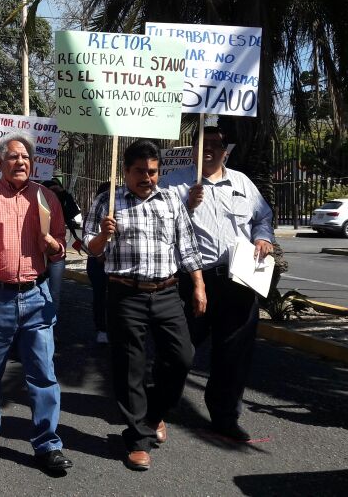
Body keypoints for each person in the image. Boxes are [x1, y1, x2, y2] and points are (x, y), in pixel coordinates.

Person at [83, 139, 206, 471]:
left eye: (152, 172)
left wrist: (198, 284)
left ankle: (154, 414)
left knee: (182, 357)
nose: (147, 178)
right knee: (129, 367)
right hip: (125, 294)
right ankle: (137, 439)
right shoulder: (108, 203)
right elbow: (90, 249)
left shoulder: (171, 202)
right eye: (140, 171)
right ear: (125, 171)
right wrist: (103, 236)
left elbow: (187, 248)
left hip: (167, 292)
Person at [0, 132, 73, 473]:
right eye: (13, 157)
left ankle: (47, 444)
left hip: (38, 296)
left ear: (33, 162)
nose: (20, 162)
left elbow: (60, 249)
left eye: (25, 157)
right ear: (0, 163)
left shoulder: (45, 199)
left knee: (43, 373)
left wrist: (53, 244)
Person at [162, 126, 274, 442]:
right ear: (192, 149)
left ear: (226, 150)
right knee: (179, 349)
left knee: (233, 353)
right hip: (193, 281)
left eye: (216, 144)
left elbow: (263, 217)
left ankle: (225, 417)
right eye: (203, 143)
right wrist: (186, 206)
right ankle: (159, 406)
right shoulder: (176, 182)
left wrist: (263, 237)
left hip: (239, 280)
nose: (209, 148)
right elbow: (159, 222)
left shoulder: (242, 182)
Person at [41, 179, 80, 308]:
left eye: (55, 190)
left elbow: (72, 212)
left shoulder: (61, 200)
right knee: (42, 291)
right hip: (40, 255)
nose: (52, 194)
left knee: (55, 292)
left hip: (57, 255)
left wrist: (64, 195)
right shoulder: (36, 202)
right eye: (49, 191)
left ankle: (53, 321)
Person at [86, 182, 111, 344]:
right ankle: (101, 329)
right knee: (100, 295)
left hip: (115, 264)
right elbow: (88, 239)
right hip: (98, 263)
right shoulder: (96, 211)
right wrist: (100, 253)